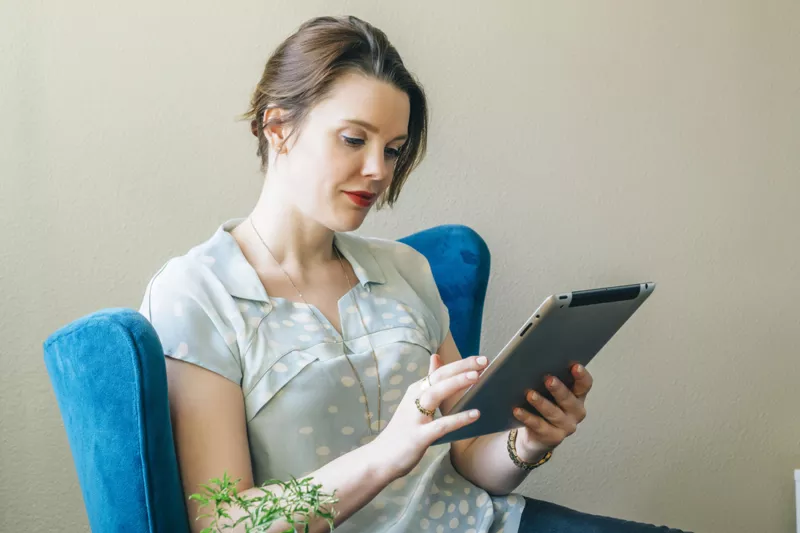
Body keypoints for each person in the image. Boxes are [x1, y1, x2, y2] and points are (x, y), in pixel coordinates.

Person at [140, 15, 687, 533]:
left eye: (394, 149)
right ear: (278, 126)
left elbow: (469, 456)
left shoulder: (403, 269)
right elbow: (227, 521)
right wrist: (385, 455)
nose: (378, 170)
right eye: (354, 139)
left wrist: (529, 441)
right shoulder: (198, 295)